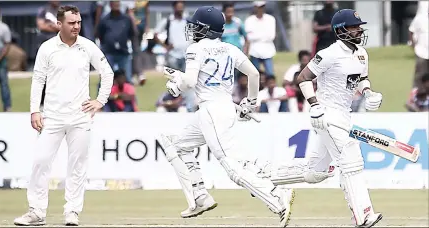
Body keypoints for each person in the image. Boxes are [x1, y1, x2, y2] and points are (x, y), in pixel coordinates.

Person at [159, 6, 293, 227]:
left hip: (211, 111)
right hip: (224, 107)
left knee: (232, 168)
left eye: (196, 26)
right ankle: (200, 196)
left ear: (205, 29)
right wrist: (250, 102)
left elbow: (191, 82)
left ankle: (278, 196)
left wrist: (176, 85)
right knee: (177, 145)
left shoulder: (196, 48)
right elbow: (254, 73)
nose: (193, 30)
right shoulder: (230, 48)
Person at [274, 9, 383, 227]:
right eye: (355, 27)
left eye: (359, 26)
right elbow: (303, 78)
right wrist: (314, 105)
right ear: (341, 30)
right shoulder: (329, 53)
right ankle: (363, 216)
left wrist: (369, 92)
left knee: (316, 173)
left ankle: (267, 180)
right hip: (327, 114)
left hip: (344, 114)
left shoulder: (361, 53)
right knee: (351, 162)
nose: (359, 30)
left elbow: (361, 78)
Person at [13, 5, 113, 226]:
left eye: (78, 22)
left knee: (77, 165)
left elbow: (107, 73)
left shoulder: (87, 47)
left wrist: (100, 101)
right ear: (60, 24)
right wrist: (34, 110)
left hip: (80, 117)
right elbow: (38, 79)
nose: (76, 26)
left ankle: (72, 212)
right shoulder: (47, 48)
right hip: (52, 116)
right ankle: (37, 212)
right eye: (71, 23)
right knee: (40, 162)